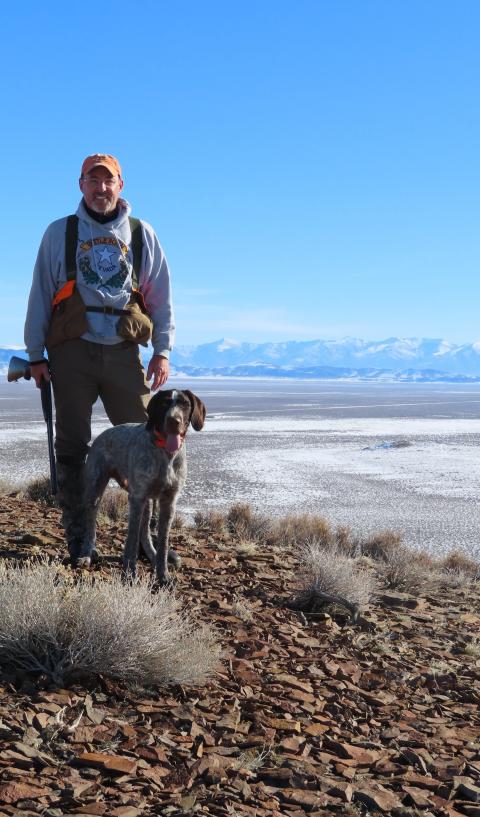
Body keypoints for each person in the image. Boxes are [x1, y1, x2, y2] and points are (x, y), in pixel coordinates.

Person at [24, 153, 174, 562]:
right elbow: (39, 293)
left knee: (151, 442)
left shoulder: (142, 234)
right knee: (73, 447)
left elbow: (160, 298)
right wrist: (35, 354)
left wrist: (161, 350)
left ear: (121, 185)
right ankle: (79, 538)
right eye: (94, 180)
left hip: (124, 352)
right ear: (81, 184)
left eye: (108, 181)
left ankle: (149, 544)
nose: (101, 188)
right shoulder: (60, 233)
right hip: (71, 350)